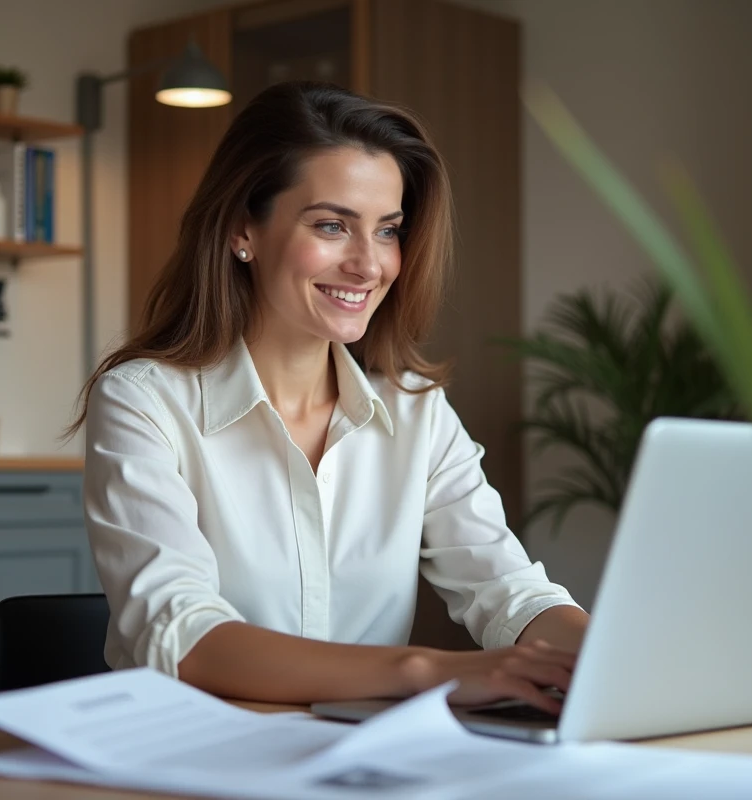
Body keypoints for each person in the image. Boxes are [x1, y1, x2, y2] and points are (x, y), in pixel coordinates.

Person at [69, 81, 588, 715]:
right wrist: (427, 670)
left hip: (356, 762)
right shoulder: (144, 402)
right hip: (185, 759)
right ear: (242, 231)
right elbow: (183, 638)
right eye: (332, 225)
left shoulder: (415, 410)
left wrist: (611, 656)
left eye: (388, 230)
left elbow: (510, 593)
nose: (369, 265)